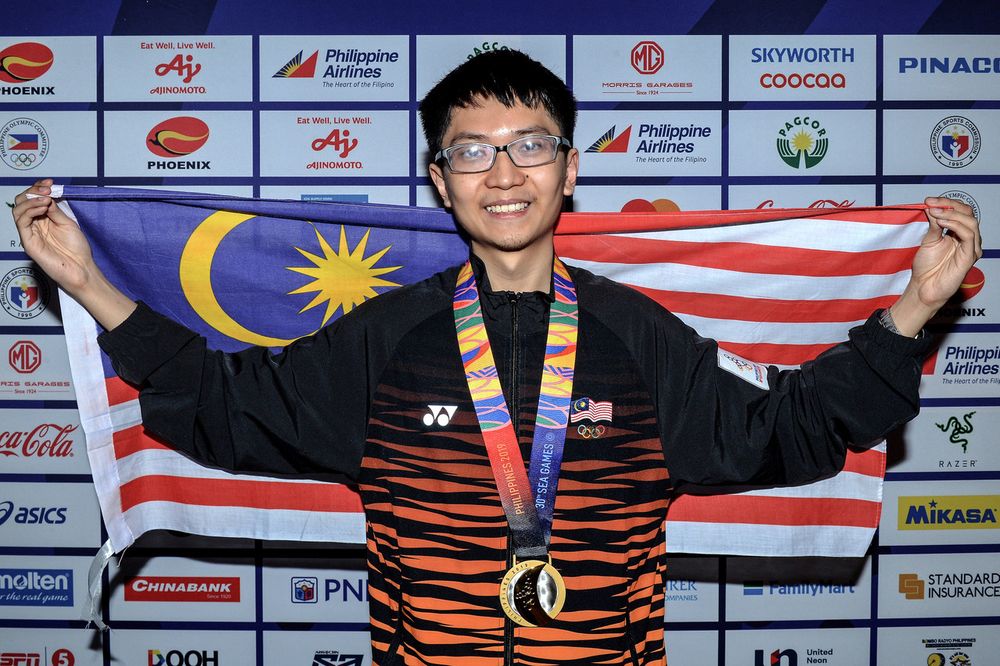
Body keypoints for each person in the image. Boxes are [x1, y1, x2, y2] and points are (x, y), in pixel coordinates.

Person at [11, 50, 982, 665]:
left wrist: (912, 310)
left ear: (570, 169)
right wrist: (92, 285)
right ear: (439, 180)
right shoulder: (386, 337)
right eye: (472, 152)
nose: (505, 173)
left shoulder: (633, 333)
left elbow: (789, 430)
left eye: (531, 146)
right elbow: (218, 406)